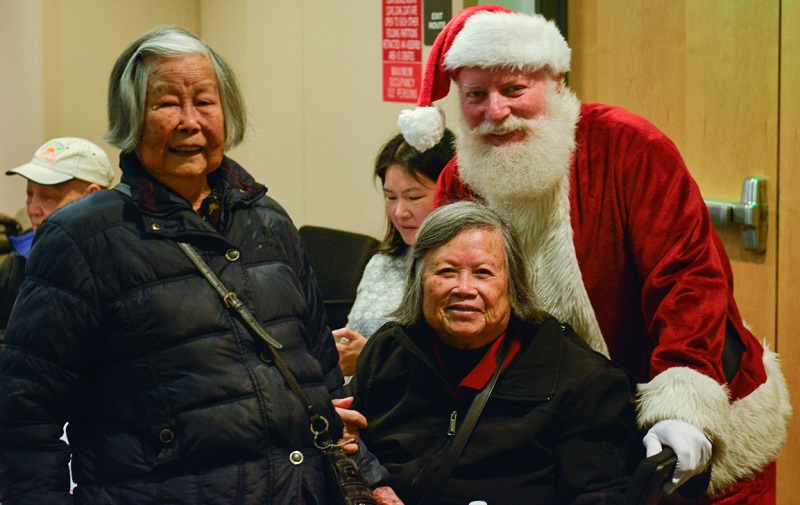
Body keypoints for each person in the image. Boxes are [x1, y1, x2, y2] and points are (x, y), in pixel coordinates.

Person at [395, 5, 792, 504]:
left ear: (555, 82)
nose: (496, 111)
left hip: (698, 410)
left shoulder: (628, 146)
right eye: (476, 95)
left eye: (515, 90)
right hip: (574, 435)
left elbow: (689, 279)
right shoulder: (458, 179)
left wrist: (682, 404)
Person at [0, 26, 400, 505]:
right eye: (167, 103)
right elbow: (26, 415)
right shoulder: (82, 239)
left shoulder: (268, 221)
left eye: (205, 102)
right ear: (130, 117)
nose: (189, 121)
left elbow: (322, 374)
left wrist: (369, 477)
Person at [350, 200, 641, 504]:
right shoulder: (388, 350)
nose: (464, 288)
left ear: (513, 285)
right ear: (419, 280)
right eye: (447, 271)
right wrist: (368, 486)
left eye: (483, 273)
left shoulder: (578, 379)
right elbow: (345, 442)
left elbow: (598, 495)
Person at [334, 129, 455, 376]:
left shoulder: (468, 272)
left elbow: (459, 366)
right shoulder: (383, 262)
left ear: (451, 191)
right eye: (391, 197)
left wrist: (371, 358)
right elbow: (352, 337)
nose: (400, 212)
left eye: (414, 197)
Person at [0, 137, 115, 332]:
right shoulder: (18, 261)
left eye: (47, 197)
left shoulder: (122, 265)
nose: (33, 209)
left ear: (92, 196)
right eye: (29, 194)